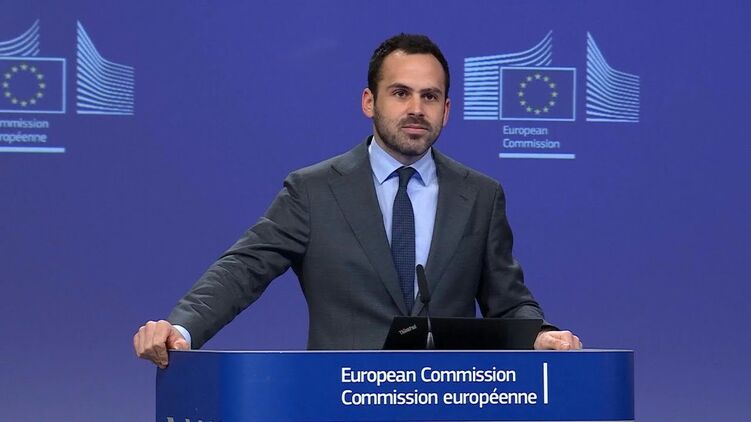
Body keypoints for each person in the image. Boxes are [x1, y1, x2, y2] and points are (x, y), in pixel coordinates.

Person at [134, 34, 581, 368]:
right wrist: (183, 327)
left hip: (448, 401)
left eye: (430, 96)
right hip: (342, 400)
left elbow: (508, 300)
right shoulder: (313, 190)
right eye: (400, 93)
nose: (416, 108)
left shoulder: (480, 195)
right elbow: (243, 270)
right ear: (370, 102)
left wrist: (539, 333)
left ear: (446, 110)